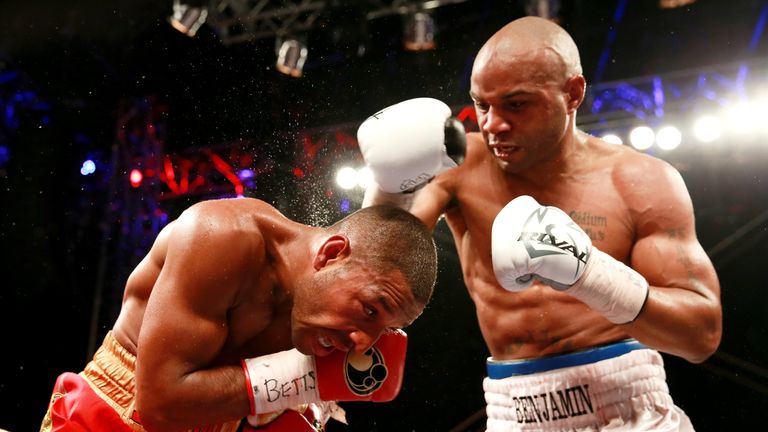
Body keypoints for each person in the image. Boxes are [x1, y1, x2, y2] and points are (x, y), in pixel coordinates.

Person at [357, 16, 722, 431]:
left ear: (573, 93)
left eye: (515, 104)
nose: (492, 124)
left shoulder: (641, 181)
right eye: (482, 104)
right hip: (514, 408)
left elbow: (702, 336)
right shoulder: (457, 166)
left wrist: (590, 275)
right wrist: (385, 190)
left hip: (628, 404)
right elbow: (368, 268)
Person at [40, 197, 438, 432]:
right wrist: (306, 380)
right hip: (115, 418)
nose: (365, 342)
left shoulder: (326, 316)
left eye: (385, 327)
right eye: (370, 310)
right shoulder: (222, 238)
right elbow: (159, 403)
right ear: (331, 254)